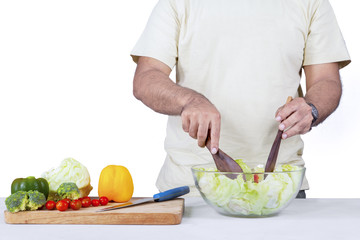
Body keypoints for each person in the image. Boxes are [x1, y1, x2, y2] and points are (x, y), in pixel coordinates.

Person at [130, 0, 350, 197]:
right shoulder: (178, 3)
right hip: (190, 188)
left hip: (281, 189)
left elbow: (326, 81)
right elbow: (146, 78)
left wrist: (311, 109)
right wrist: (189, 100)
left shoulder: (312, 3)